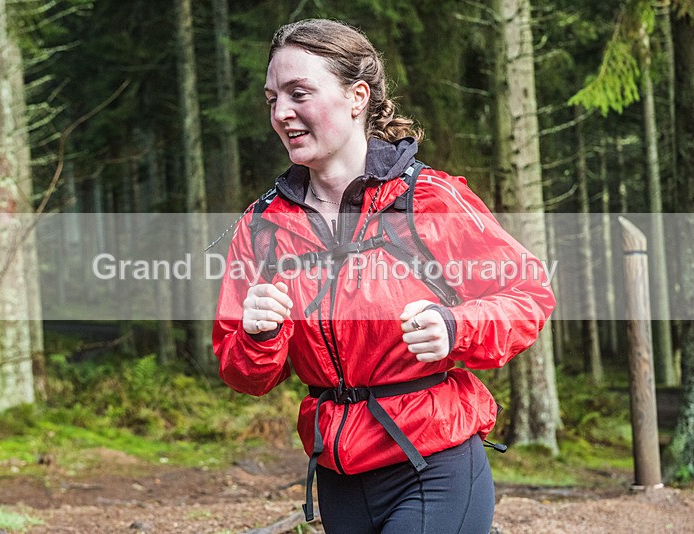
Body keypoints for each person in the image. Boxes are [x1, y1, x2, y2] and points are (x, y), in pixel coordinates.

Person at [212, 18, 555, 534]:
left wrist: (457, 327)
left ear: (357, 96)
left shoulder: (429, 200)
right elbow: (243, 372)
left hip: (432, 464)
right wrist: (258, 337)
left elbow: (528, 294)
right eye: (272, 98)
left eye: (299, 93)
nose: (281, 113)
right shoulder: (262, 228)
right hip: (338, 477)